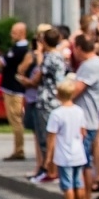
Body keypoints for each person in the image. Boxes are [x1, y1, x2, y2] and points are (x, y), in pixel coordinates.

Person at [20, 28, 67, 183]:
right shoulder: (60, 57)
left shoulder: (49, 58)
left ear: (45, 42)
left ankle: (50, 170)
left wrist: (25, 81)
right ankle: (52, 170)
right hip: (57, 99)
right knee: (54, 137)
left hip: (46, 101)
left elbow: (37, 77)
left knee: (46, 137)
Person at [46, 79, 89, 199]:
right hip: (78, 152)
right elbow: (83, 131)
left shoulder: (57, 114)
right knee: (78, 182)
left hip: (64, 154)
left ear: (58, 94)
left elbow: (51, 137)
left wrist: (48, 157)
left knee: (67, 184)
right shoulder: (79, 111)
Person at [73, 36, 99, 197]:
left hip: (86, 120)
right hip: (94, 116)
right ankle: (86, 198)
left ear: (79, 48)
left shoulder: (89, 66)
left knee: (83, 164)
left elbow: (76, 90)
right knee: (90, 159)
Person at [0, 23, 30, 161]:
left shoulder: (20, 49)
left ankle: (19, 150)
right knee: (14, 120)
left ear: (22, 33)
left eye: (14, 32)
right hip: (11, 87)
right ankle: (18, 148)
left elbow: (2, 62)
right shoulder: (17, 47)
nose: (11, 35)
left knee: (16, 120)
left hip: (14, 89)